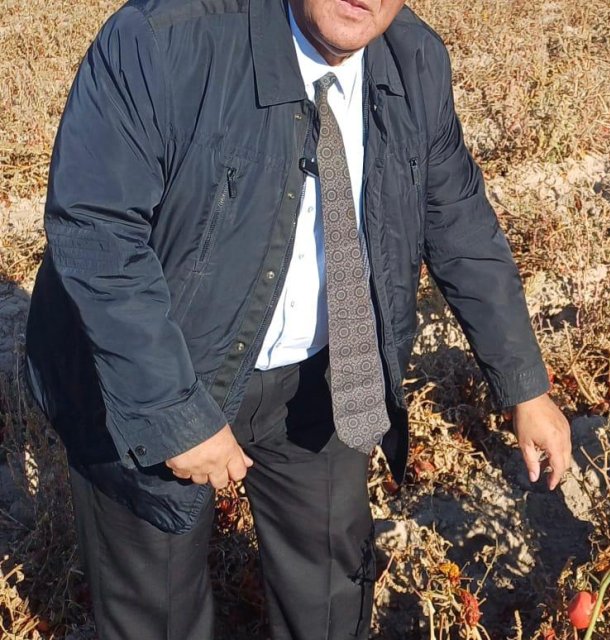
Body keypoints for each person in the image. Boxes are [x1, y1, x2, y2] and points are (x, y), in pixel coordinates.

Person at [24, 0, 571, 638]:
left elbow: (459, 220)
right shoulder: (164, 39)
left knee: (330, 604)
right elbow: (96, 232)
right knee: (158, 615)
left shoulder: (413, 59)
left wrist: (523, 382)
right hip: (150, 378)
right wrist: (173, 411)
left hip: (315, 383)